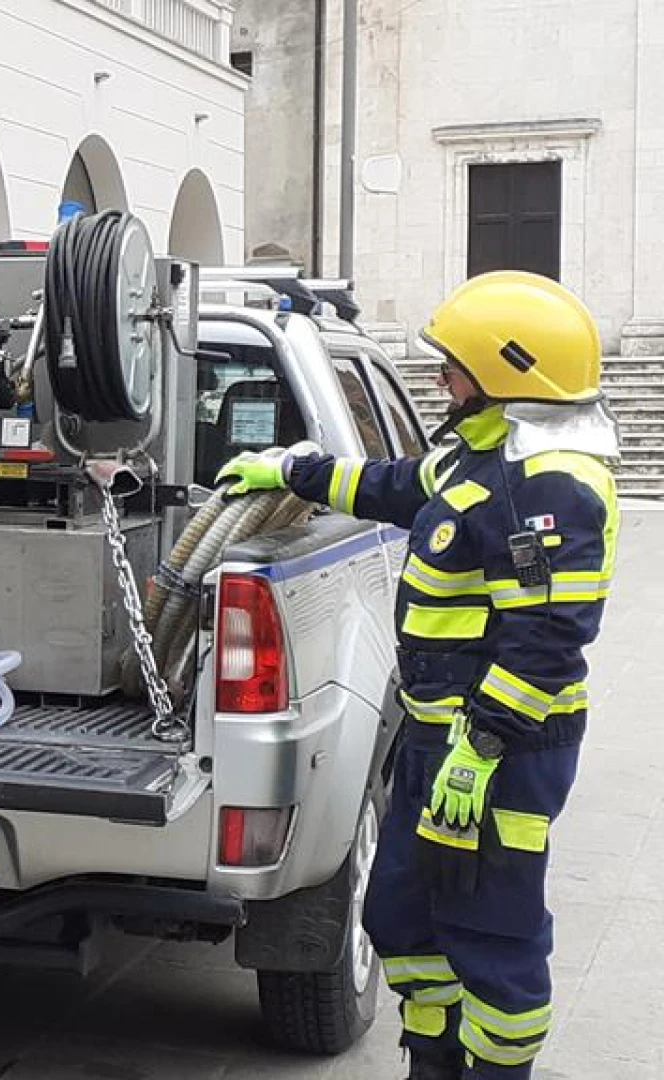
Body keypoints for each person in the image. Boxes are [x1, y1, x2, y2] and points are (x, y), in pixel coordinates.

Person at [218, 271, 619, 1078]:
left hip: (499, 754)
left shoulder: (551, 482)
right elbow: (397, 488)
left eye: (454, 365)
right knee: (403, 914)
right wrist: (293, 471)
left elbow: (547, 639)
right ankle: (431, 1061)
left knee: (493, 937)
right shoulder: (480, 457)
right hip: (439, 742)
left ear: (508, 373)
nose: (442, 376)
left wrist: (483, 748)